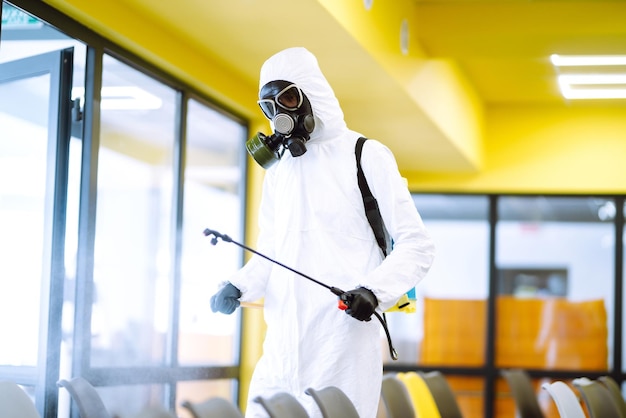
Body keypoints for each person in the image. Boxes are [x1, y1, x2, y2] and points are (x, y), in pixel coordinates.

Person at [210, 46, 435, 418]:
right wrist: (238, 285)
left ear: (312, 94)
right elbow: (272, 251)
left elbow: (417, 245)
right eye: (270, 107)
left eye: (288, 98)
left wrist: (373, 292)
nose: (281, 114)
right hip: (281, 348)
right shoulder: (280, 173)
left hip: (341, 346)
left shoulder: (365, 154)